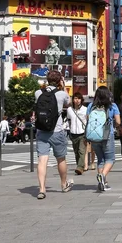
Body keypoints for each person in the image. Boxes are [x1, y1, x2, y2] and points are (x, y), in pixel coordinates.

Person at [35, 70, 73, 198]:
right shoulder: (62, 94)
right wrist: (63, 86)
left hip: (41, 131)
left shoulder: (38, 93)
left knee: (42, 160)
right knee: (61, 159)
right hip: (57, 131)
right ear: (59, 81)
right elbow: (69, 103)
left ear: (46, 80)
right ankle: (63, 184)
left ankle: (42, 189)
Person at [86, 86, 120, 191]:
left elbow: (88, 120)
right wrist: (114, 127)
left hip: (94, 136)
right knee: (110, 159)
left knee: (100, 159)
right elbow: (118, 122)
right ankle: (103, 176)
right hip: (106, 135)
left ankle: (103, 183)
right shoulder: (112, 106)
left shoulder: (91, 106)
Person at [67, 92, 88, 175]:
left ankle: (80, 167)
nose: (77, 100)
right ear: (73, 100)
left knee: (81, 151)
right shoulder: (69, 110)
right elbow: (69, 120)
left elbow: (88, 121)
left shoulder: (85, 109)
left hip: (82, 133)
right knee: (76, 151)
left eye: (79, 98)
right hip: (73, 133)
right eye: (75, 98)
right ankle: (79, 166)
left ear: (81, 100)